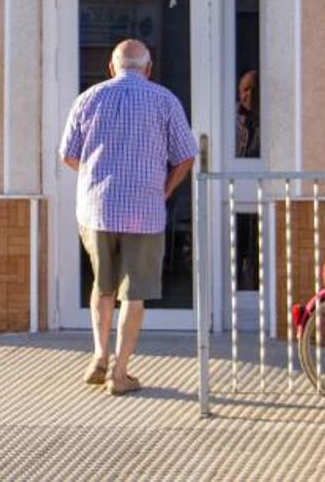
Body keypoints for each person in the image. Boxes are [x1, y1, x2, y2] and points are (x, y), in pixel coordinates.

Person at [59, 39, 197, 395]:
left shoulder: (88, 99)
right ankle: (120, 372)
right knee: (133, 293)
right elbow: (186, 156)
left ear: (112, 67)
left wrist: (95, 178)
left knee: (102, 286)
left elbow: (68, 155)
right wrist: (165, 189)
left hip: (96, 209)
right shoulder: (165, 100)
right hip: (144, 210)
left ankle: (99, 358)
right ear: (148, 69)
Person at [235, 69, 260, 158]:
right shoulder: (229, 119)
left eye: (254, 89)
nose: (250, 94)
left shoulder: (269, 119)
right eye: (246, 89)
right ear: (239, 94)